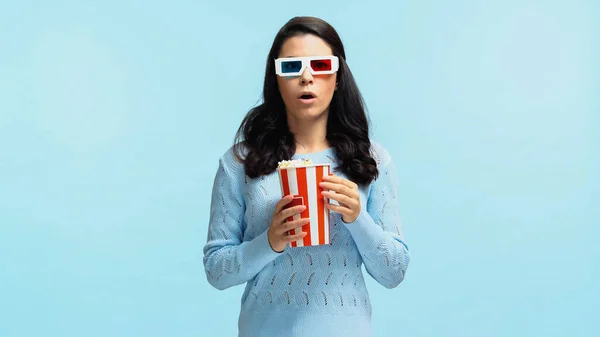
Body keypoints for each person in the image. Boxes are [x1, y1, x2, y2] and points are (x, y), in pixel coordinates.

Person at [203, 16, 410, 337]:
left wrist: (357, 218)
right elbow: (216, 271)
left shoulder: (372, 159)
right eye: (291, 67)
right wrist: (270, 241)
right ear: (276, 80)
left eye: (321, 65)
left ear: (338, 76)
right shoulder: (239, 162)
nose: (306, 77)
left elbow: (394, 272)